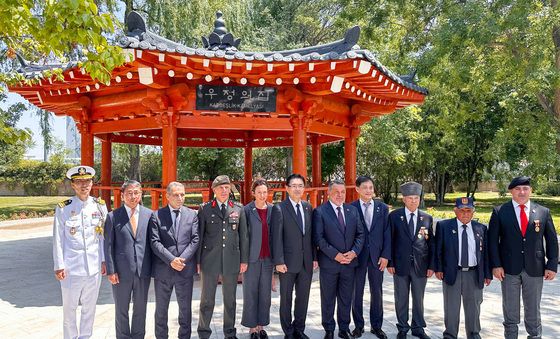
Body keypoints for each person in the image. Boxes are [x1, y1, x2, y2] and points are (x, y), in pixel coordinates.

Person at [488, 176, 558, 339]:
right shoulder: (500, 212)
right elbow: (492, 241)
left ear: (530, 191)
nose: (522, 192)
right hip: (508, 269)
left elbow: (552, 240)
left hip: (535, 268)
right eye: (518, 189)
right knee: (510, 310)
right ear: (511, 191)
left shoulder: (542, 211)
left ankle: (535, 336)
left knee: (533, 309)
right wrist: (496, 265)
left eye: (525, 188)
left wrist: (552, 265)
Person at [52, 165, 107, 339]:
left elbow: (103, 238)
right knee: (70, 311)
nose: (84, 185)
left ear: (92, 184)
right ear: (73, 185)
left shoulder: (100, 206)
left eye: (87, 181)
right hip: (71, 269)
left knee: (89, 309)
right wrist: (59, 265)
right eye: (79, 182)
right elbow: (58, 239)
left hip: (94, 268)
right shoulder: (64, 208)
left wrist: (104, 261)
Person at [197, 175, 249, 339]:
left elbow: (244, 236)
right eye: (221, 187)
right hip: (209, 260)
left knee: (230, 300)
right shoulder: (205, 209)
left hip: (231, 260)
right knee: (207, 300)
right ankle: (204, 332)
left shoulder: (238, 208)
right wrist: (198, 261)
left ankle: (230, 332)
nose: (224, 190)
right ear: (214, 190)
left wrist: (244, 260)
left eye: (227, 187)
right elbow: (199, 236)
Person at [313, 180, 365, 339]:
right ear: (329, 193)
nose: (340, 195)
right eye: (336, 192)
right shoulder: (320, 212)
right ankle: (329, 329)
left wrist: (354, 252)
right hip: (330, 263)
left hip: (349, 263)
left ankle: (344, 329)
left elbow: (360, 234)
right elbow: (318, 238)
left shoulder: (352, 210)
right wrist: (335, 255)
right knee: (328, 298)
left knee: (346, 298)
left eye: (342, 192)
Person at [434, 197, 491, 339]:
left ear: (473, 211)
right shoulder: (444, 226)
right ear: (455, 211)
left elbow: (486, 254)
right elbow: (438, 250)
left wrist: (487, 274)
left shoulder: (481, 228)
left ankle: (473, 334)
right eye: (461, 210)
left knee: (474, 307)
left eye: (468, 210)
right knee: (451, 307)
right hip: (452, 273)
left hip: (474, 274)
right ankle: (450, 335)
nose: (465, 213)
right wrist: (438, 268)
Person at [150, 181, 200, 339]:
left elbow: (195, 239)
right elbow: (155, 242)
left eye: (182, 194)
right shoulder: (156, 215)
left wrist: (182, 260)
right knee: (161, 311)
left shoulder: (192, 214)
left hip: (185, 270)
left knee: (185, 311)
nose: (180, 198)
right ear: (167, 196)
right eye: (176, 195)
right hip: (163, 271)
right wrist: (171, 260)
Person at [271, 174, 318, 339]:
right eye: (294, 185)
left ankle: (299, 329)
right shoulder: (279, 208)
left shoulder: (308, 207)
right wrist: (278, 261)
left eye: (300, 185)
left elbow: (311, 235)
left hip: (306, 262)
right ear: (287, 188)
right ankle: (288, 331)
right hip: (287, 263)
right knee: (286, 298)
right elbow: (276, 237)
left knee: (303, 298)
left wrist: (314, 257)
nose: (297, 189)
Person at [104, 180, 153, 339]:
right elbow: (109, 245)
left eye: (136, 193)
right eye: (129, 193)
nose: (133, 196)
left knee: (140, 309)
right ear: (123, 195)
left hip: (143, 271)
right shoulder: (113, 216)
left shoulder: (149, 214)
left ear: (141, 194)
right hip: (121, 273)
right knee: (121, 309)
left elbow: (153, 243)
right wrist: (111, 271)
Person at [387, 181, 434, 339]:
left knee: (418, 298)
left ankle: (418, 327)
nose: (413, 200)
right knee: (401, 297)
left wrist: (432, 265)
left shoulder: (427, 218)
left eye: (416, 197)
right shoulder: (394, 216)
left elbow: (430, 243)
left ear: (419, 199)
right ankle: (402, 328)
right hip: (400, 264)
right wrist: (390, 262)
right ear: (403, 199)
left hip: (421, 265)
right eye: (410, 198)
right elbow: (390, 240)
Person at [350, 176, 390, 339]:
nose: (368, 190)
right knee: (356, 292)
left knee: (377, 292)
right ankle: (358, 326)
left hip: (377, 257)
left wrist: (386, 255)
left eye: (371, 187)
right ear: (357, 189)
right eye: (365, 187)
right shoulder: (351, 208)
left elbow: (387, 233)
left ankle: (377, 326)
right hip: (358, 257)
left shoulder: (382, 208)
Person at [242, 178, 274, 339]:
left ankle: (261, 326)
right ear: (253, 193)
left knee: (265, 295)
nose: (262, 195)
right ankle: (252, 328)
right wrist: (243, 260)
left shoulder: (273, 210)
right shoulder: (247, 210)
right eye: (259, 192)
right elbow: (243, 236)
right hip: (251, 259)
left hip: (268, 259)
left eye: (265, 192)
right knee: (250, 293)